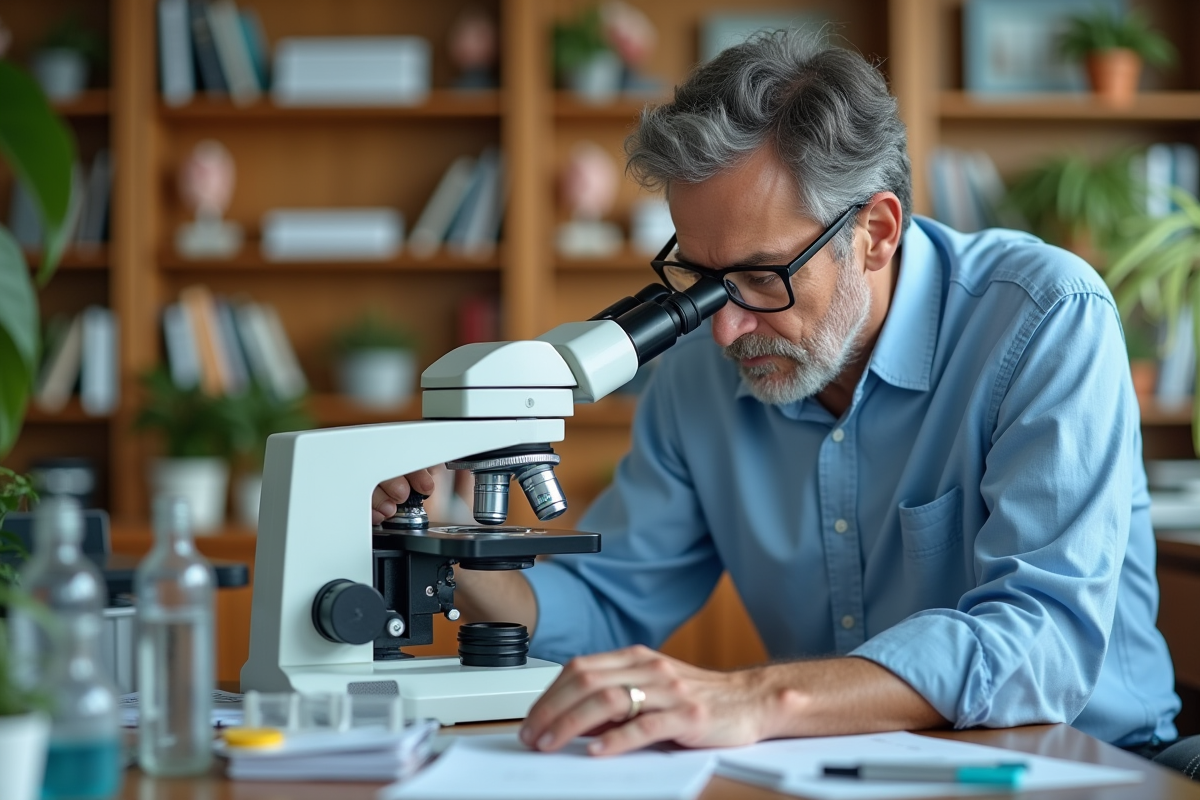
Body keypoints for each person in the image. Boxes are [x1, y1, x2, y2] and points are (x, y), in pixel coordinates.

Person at [372, 32, 1180, 758]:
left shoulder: (1044, 318)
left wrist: (757, 696)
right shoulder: (700, 372)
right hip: (835, 764)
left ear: (877, 232)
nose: (723, 332)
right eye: (700, 280)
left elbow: (1044, 642)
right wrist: (437, 538)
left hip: (1088, 763)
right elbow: (609, 601)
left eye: (762, 277)